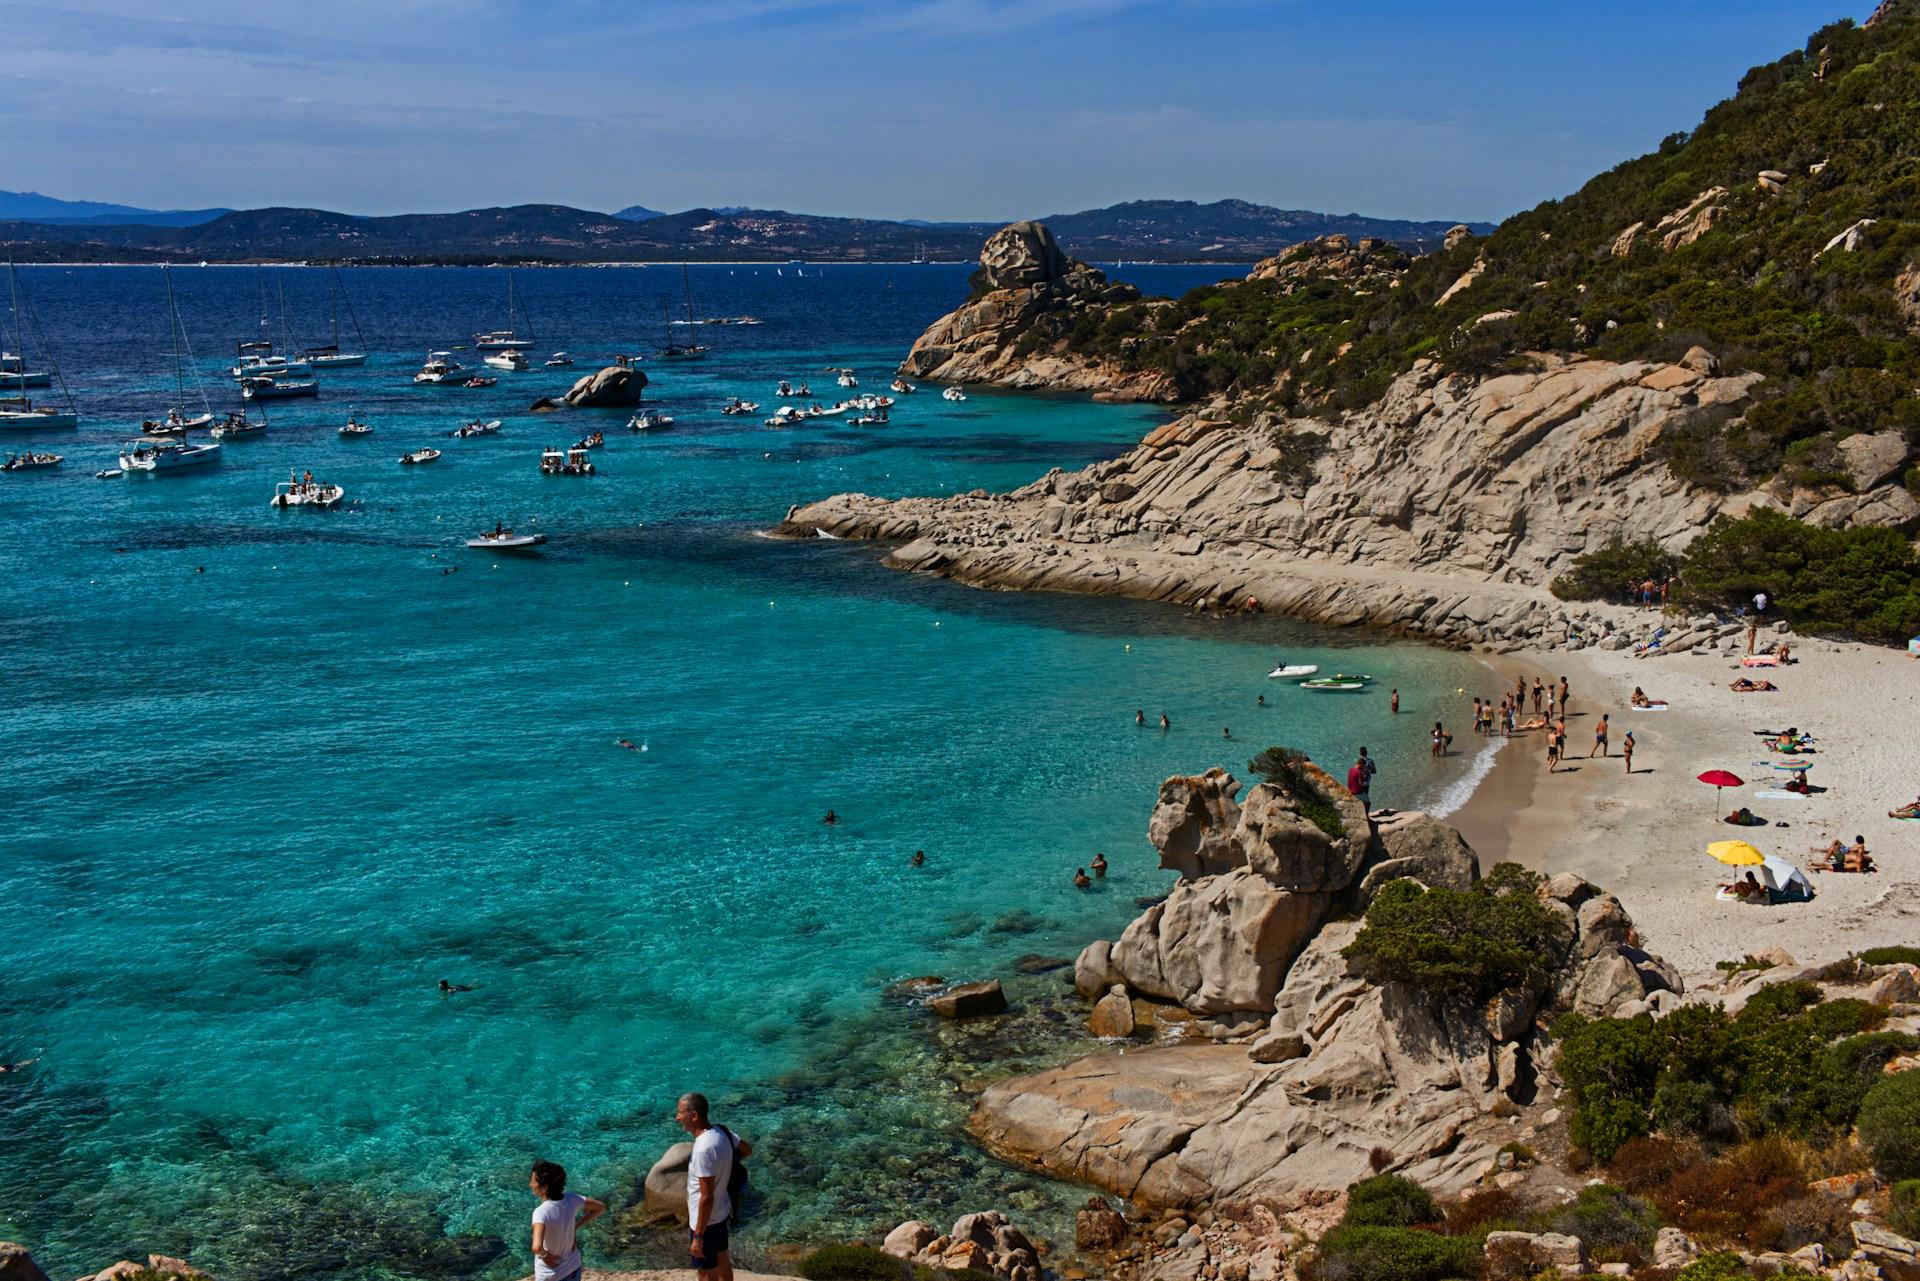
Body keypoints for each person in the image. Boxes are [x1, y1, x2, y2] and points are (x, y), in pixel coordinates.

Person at [677, 1093, 750, 1281]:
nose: (677, 1118)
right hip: (722, 1213)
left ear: (694, 1116)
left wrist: (698, 1236)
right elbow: (747, 1149)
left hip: (705, 1223)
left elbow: (706, 1196)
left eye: (680, 1112)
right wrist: (725, 1164)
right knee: (723, 1262)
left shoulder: (703, 1149)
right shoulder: (722, 1132)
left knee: (706, 1274)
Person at [528, 1160, 605, 1281]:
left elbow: (536, 1247)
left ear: (544, 1188)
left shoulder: (541, 1213)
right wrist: (576, 1225)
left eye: (533, 1181)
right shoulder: (572, 1199)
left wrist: (546, 1256)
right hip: (573, 1267)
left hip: (551, 1275)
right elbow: (600, 1207)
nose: (530, 1184)